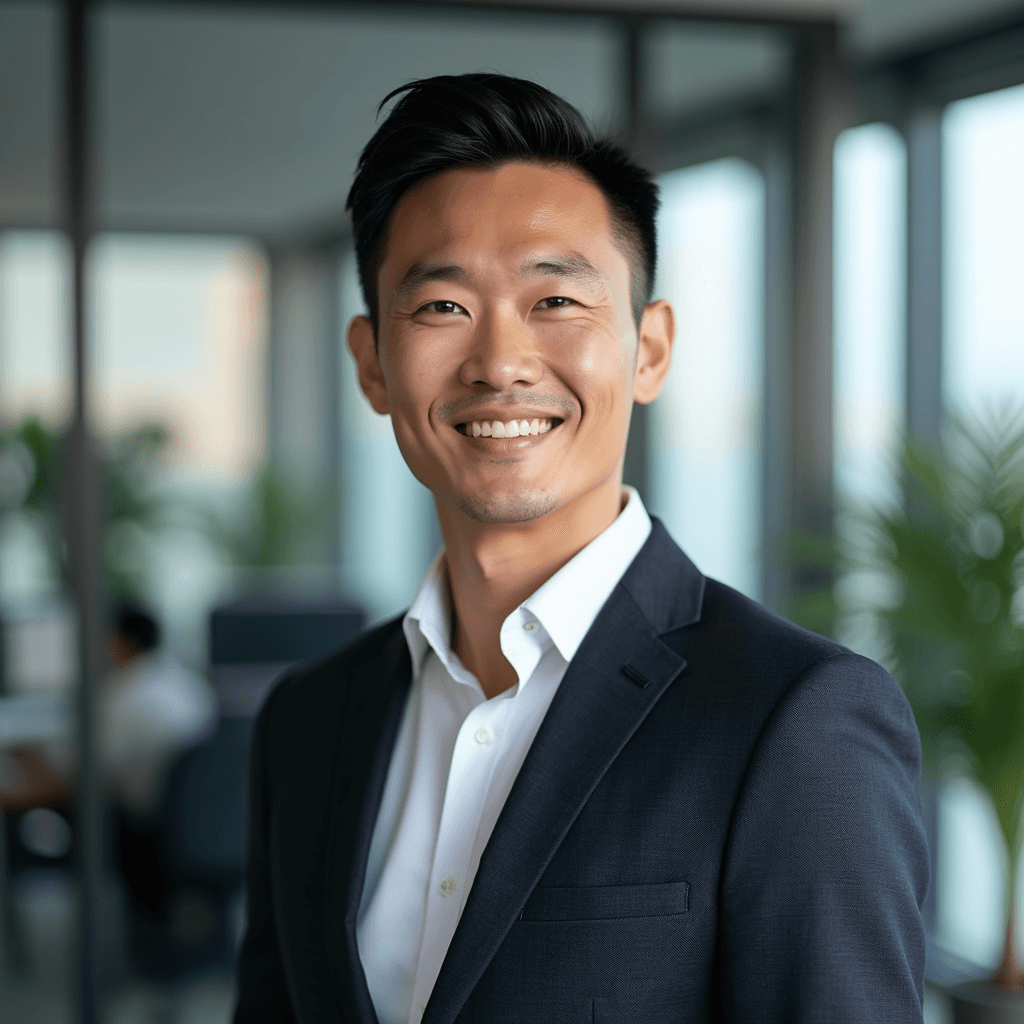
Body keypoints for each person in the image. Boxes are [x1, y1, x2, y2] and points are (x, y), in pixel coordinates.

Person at [233, 74, 928, 1023]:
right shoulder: (307, 722)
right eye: (442, 308)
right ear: (371, 364)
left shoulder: (794, 718)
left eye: (555, 298)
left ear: (650, 350)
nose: (500, 363)